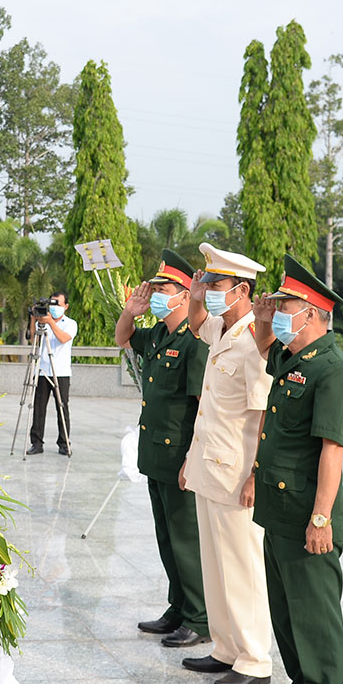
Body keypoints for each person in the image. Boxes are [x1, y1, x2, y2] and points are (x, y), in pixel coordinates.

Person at [248, 256, 343, 684]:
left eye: (287, 304)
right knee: (287, 617)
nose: (279, 311)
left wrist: (320, 518)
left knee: (315, 618)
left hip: (307, 516)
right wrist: (266, 316)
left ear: (312, 312)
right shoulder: (296, 359)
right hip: (279, 510)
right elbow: (262, 345)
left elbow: (331, 453)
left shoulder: (333, 371)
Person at [176, 243, 275, 684]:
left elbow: (261, 413)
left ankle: (254, 658)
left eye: (215, 285)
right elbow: (195, 322)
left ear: (241, 290)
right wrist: (195, 294)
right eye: (207, 282)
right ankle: (225, 648)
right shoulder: (222, 328)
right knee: (215, 564)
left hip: (238, 472)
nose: (208, 290)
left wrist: (256, 473)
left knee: (242, 566)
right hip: (209, 464)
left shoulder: (257, 338)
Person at [117, 249, 211, 648]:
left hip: (180, 456)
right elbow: (123, 338)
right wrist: (130, 311)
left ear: (185, 293)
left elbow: (202, 407)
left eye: (163, 288)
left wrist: (192, 458)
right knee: (166, 536)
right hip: (155, 453)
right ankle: (177, 606)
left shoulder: (194, 341)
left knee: (187, 539)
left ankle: (200, 617)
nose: (155, 294)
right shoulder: (157, 334)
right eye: (153, 287)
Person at [27, 292, 77, 456]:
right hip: (42, 370)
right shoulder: (43, 321)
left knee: (62, 407)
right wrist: (34, 319)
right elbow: (33, 338)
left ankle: (64, 443)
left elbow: (63, 338)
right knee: (38, 409)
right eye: (52, 304)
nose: (54, 308)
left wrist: (50, 322)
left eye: (58, 304)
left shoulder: (70, 323)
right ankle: (36, 442)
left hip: (61, 371)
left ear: (66, 306)